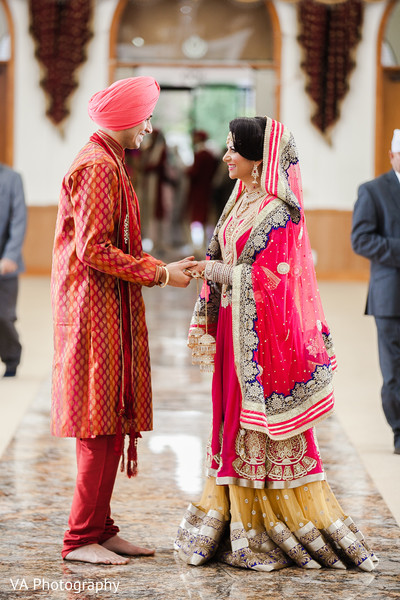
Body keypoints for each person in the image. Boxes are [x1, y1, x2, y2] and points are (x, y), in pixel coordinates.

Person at [174, 116, 377, 572]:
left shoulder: (280, 213)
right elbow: (220, 253)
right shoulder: (240, 199)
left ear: (258, 158)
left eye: (234, 149)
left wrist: (216, 273)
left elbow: (273, 284)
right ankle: (232, 518)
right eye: (226, 147)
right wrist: (209, 271)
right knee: (227, 417)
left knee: (255, 424)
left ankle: (264, 525)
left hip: (264, 343)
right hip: (234, 330)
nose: (226, 156)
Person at [51, 76, 196, 565]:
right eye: (146, 118)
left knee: (110, 420)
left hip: (106, 309)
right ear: (126, 119)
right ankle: (79, 538)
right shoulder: (97, 167)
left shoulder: (109, 161)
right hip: (93, 314)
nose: (149, 128)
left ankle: (100, 526)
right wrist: (159, 272)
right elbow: (93, 249)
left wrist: (158, 270)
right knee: (98, 423)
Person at [351, 128, 400, 456]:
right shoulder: (373, 191)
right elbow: (361, 240)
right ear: (393, 156)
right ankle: (399, 430)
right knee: (395, 369)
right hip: (391, 296)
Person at [0, 163, 27, 378]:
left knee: (3, 316)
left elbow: (19, 220)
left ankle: (11, 358)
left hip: (5, 264)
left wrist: (10, 256)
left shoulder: (12, 178)